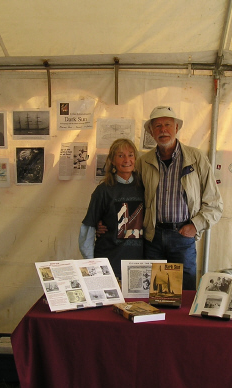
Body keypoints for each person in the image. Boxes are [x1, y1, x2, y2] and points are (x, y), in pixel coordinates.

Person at [136, 106, 223, 290]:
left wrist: (195, 225)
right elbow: (132, 200)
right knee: (155, 293)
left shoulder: (196, 158)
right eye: (157, 126)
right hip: (153, 238)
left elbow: (214, 204)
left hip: (183, 238)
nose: (163, 130)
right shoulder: (143, 162)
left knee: (185, 294)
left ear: (176, 128)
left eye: (168, 124)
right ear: (151, 132)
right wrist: (108, 222)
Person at [79, 138, 144, 279]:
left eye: (130, 155)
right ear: (113, 161)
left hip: (139, 263)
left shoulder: (145, 186)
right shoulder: (103, 190)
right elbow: (88, 227)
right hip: (109, 262)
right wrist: (91, 264)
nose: (126, 160)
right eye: (120, 155)